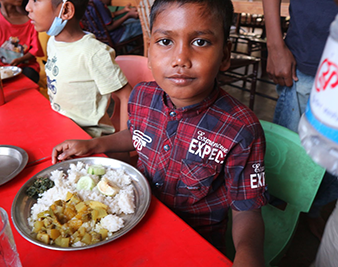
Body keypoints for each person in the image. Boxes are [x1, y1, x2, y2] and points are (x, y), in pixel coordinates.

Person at [51, 0, 269, 265]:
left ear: (224, 56)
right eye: (165, 42)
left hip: (193, 240)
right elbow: (137, 134)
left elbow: (246, 210)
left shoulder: (241, 130)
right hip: (134, 215)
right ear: (150, 49)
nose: (180, 59)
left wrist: (248, 255)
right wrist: (96, 145)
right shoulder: (142, 95)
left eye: (200, 42)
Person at [263, 0, 338, 240]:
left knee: (333, 162)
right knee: (290, 158)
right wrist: (275, 45)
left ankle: (312, 210)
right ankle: (275, 218)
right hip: (307, 55)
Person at [25, 0, 133, 137]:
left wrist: (122, 142)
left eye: (36, 1)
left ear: (66, 11)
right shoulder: (52, 42)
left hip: (88, 137)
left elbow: (126, 96)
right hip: (61, 126)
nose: (28, 7)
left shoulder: (93, 52)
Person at [0, 0, 43, 83]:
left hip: (26, 67)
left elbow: (35, 50)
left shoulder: (31, 21)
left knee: (28, 77)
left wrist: (20, 60)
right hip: (2, 69)